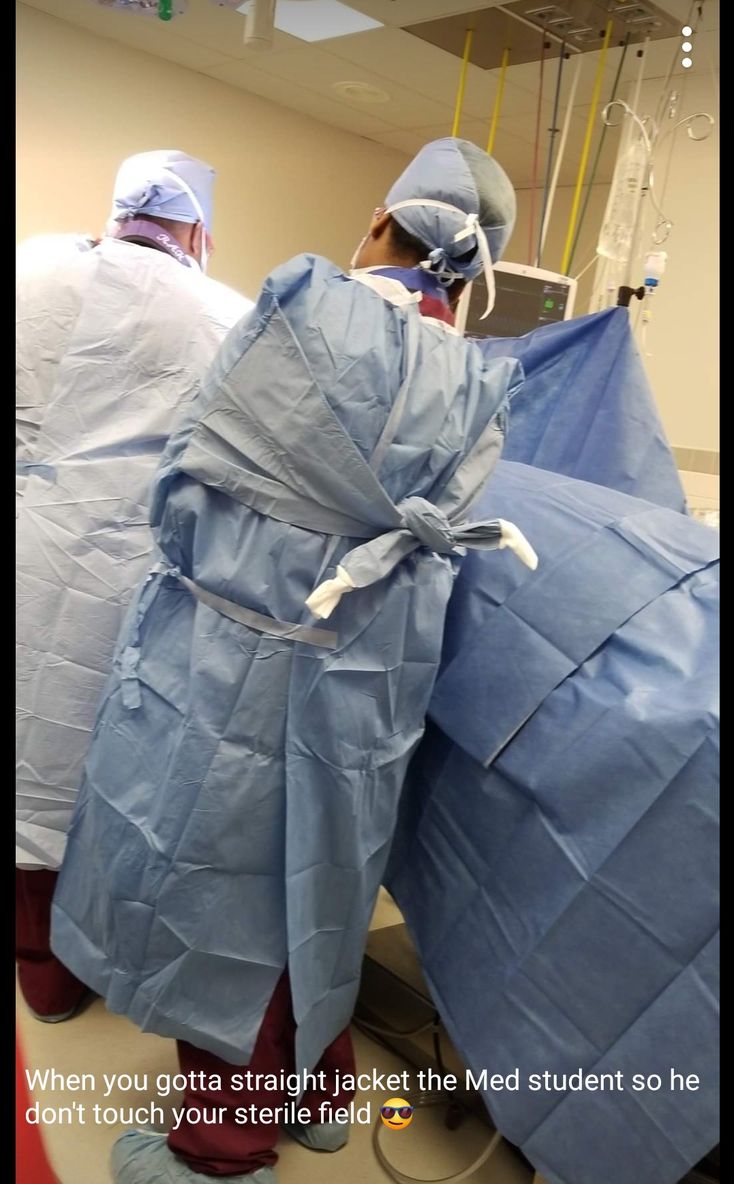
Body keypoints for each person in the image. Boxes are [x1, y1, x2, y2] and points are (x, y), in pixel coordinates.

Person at [51, 138, 534, 1183]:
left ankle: (222, 1146)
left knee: (214, 889)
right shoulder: (478, 375)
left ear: (379, 222)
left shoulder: (305, 305)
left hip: (236, 652)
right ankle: (313, 1088)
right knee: (320, 883)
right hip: (368, 676)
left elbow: (191, 472)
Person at [16, 149, 254, 1024]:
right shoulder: (228, 316)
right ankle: (91, 960)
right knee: (100, 779)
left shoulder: (31, 266)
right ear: (198, 229)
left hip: (23, 553)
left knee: (23, 771)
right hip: (125, 581)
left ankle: (41, 976)